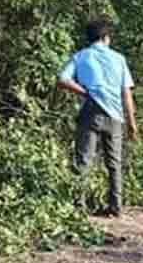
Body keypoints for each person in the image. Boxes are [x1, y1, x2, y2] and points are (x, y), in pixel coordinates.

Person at [57, 19, 138, 218]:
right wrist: (132, 123)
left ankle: (79, 207)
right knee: (114, 163)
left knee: (83, 161)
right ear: (105, 37)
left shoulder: (80, 56)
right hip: (115, 115)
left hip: (90, 111)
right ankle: (115, 206)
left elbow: (62, 79)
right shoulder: (118, 59)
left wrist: (85, 92)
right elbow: (126, 93)